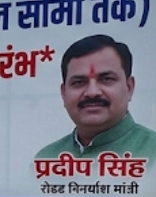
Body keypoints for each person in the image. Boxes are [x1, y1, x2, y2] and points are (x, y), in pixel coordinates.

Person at [34, 34, 156, 167]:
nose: (92, 92)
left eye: (106, 79)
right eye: (79, 82)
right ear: (63, 93)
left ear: (129, 88)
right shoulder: (46, 160)